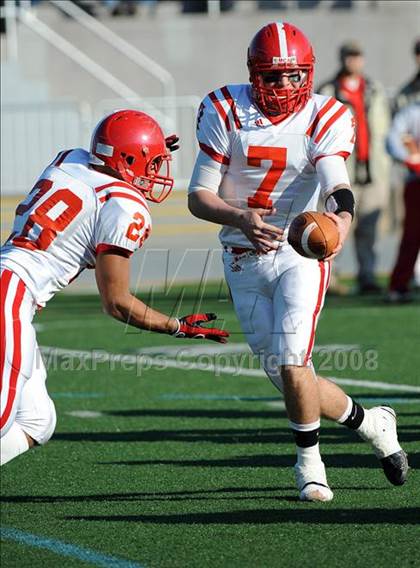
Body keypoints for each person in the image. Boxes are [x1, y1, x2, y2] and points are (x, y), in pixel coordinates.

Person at [188, 22, 408, 502]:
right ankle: (372, 423)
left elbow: (336, 182)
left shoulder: (325, 114)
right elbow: (198, 197)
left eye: (294, 76)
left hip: (299, 251)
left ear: (308, 74)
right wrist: (239, 217)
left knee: (291, 361)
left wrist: (341, 221)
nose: (285, 86)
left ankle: (310, 465)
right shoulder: (224, 109)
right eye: (273, 77)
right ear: (254, 74)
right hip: (242, 255)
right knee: (290, 374)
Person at [0, 109, 229, 467]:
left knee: (37, 420)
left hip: (14, 289)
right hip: (10, 293)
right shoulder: (124, 206)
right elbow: (118, 303)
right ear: (125, 159)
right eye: (151, 163)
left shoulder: (69, 159)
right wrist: (177, 326)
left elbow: (100, 170)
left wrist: (142, 150)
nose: (155, 173)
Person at [318, 41, 390, 295]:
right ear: (342, 59)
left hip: (373, 170)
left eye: (357, 55)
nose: (353, 60)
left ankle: (367, 275)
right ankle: (330, 279)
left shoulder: (375, 90)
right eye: (349, 56)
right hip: (341, 172)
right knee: (334, 226)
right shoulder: (327, 90)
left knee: (369, 229)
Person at [385, 102, 420, 302]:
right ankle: (398, 285)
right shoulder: (412, 111)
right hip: (416, 181)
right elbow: (392, 140)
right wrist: (409, 158)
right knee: (412, 235)